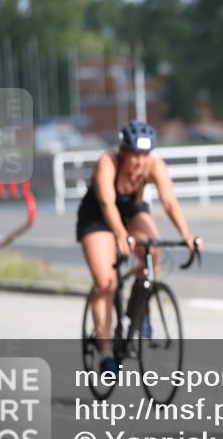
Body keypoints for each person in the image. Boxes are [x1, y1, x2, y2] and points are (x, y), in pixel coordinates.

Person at [76, 120, 200, 374]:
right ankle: (106, 351)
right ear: (123, 152)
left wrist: (187, 235)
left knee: (153, 250)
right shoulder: (107, 162)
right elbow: (108, 204)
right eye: (134, 155)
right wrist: (120, 234)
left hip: (132, 210)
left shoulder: (154, 165)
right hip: (97, 215)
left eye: (144, 155)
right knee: (105, 283)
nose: (139, 162)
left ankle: (140, 309)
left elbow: (169, 202)